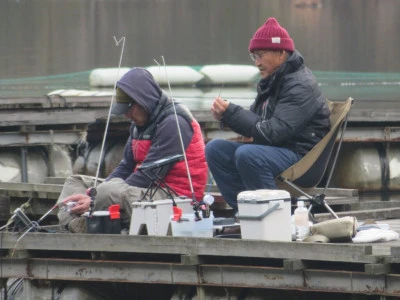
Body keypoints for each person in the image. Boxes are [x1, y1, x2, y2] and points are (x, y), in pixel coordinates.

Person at [57, 67, 208, 232]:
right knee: (75, 182)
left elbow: (148, 175)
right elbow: (126, 167)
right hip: (144, 190)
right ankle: (74, 227)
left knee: (108, 191)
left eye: (128, 109)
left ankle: (89, 227)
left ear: (144, 101)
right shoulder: (139, 124)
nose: (126, 115)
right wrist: (93, 194)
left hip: (174, 197)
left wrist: (94, 199)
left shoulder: (174, 123)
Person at [206, 17, 330, 213]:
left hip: (301, 158)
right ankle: (245, 213)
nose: (257, 63)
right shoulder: (271, 80)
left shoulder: (300, 85)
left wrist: (232, 112)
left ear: (281, 53)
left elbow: (274, 132)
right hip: (275, 150)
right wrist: (226, 116)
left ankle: (274, 216)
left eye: (260, 55)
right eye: (253, 57)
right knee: (215, 149)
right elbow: (257, 125)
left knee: (248, 154)